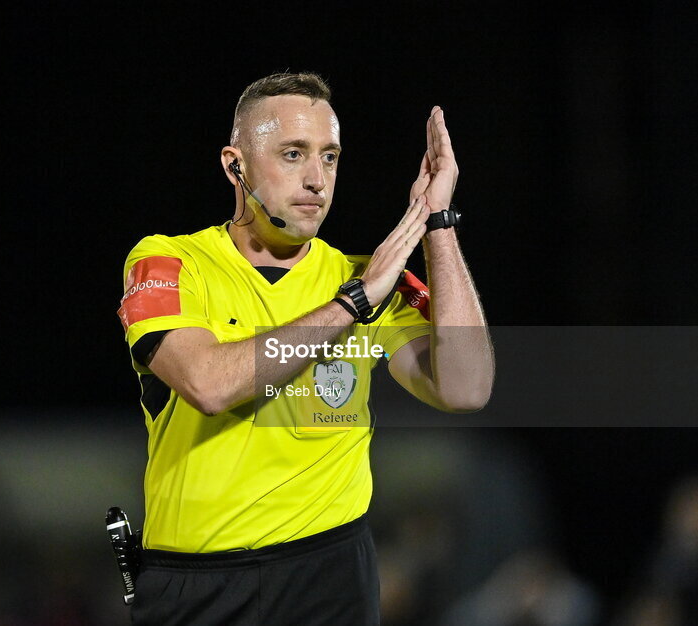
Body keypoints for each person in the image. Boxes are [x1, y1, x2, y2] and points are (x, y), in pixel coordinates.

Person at [116, 72, 494, 625]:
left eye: (330, 157)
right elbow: (209, 384)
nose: (317, 178)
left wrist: (437, 222)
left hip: (329, 576)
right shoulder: (169, 262)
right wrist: (354, 304)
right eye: (293, 154)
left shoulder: (363, 278)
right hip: (196, 586)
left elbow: (467, 388)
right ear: (234, 165)